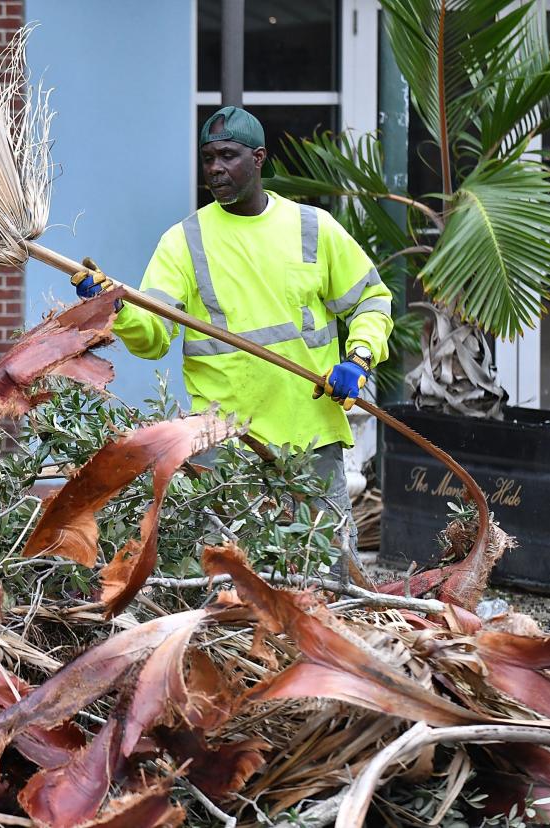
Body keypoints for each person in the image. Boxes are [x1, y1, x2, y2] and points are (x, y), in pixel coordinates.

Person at [72, 106, 392, 579]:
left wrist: (359, 358)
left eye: (227, 156)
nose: (215, 168)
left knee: (328, 579)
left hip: (311, 436)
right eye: (207, 159)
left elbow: (371, 298)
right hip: (226, 445)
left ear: (258, 158)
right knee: (228, 585)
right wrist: (114, 307)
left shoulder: (313, 228)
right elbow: (154, 336)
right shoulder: (185, 241)